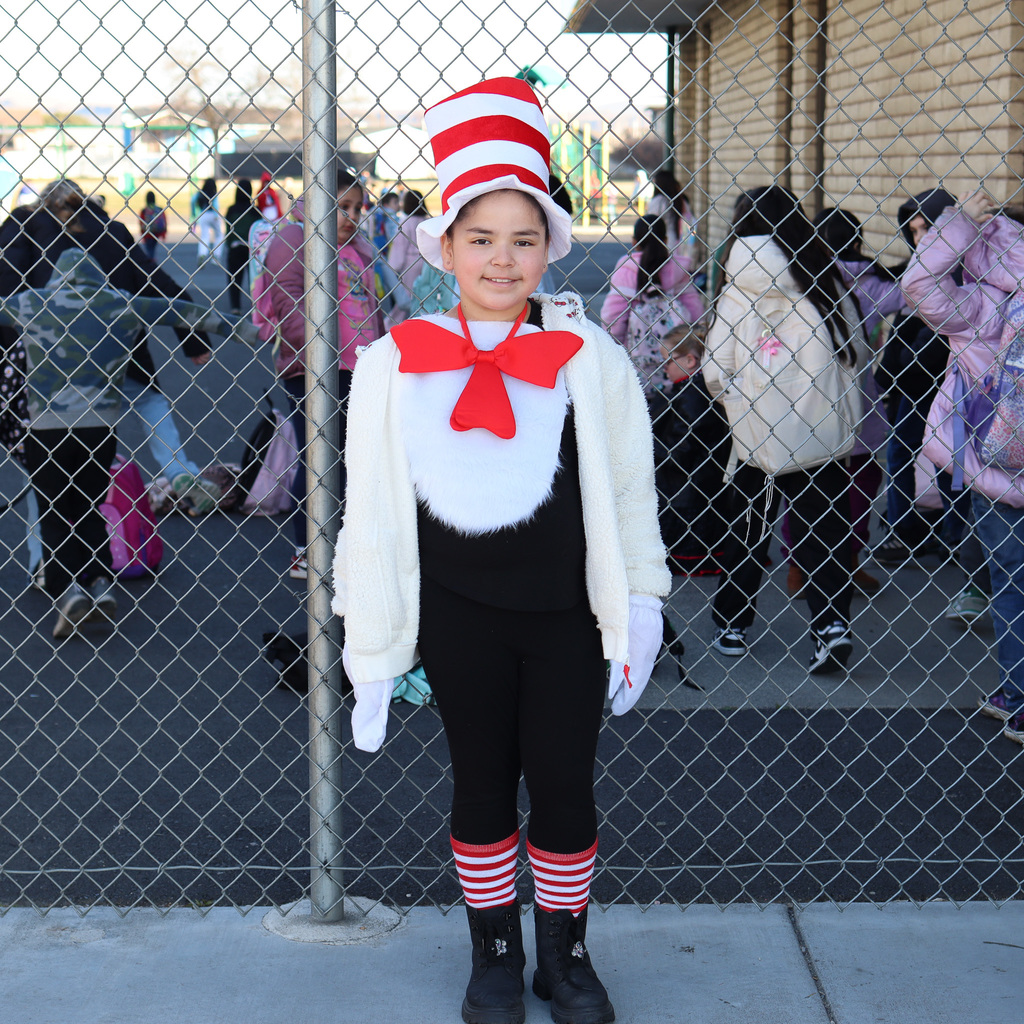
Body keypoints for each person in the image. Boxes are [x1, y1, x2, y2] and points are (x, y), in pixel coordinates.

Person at [332, 77, 668, 1024]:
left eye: (525, 239)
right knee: (480, 781)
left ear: (550, 248)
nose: (503, 258)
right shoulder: (397, 362)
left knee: (563, 783)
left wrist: (639, 601)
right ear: (445, 248)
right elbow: (371, 507)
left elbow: (630, 489)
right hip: (457, 616)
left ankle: (566, 957)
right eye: (481, 239)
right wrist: (367, 628)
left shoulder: (585, 355)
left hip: (564, 616)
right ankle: (492, 954)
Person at [0, 247, 248, 639]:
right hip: (99, 428)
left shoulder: (31, 303)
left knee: (54, 509)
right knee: (90, 506)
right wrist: (247, 329)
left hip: (45, 429)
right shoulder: (121, 304)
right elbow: (180, 310)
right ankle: (99, 581)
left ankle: (68, 590)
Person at [0, 179, 222, 544]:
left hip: (50, 358)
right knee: (149, 399)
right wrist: (192, 337)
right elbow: (157, 283)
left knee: (43, 463)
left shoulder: (23, 229)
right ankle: (178, 467)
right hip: (114, 349)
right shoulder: (111, 231)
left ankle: (44, 562)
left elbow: (7, 282)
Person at [702, 186, 863, 673]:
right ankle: (830, 624)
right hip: (820, 430)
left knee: (748, 529)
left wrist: (738, 398)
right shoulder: (823, 276)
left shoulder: (735, 287)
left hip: (758, 434)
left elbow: (716, 367)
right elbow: (854, 348)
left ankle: (732, 624)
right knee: (825, 530)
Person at [906, 189, 1024, 744]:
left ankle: (1018, 696)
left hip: (998, 463)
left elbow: (918, 285)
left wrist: (958, 225)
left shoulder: (980, 307)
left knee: (1010, 581)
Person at [263, 169, 383, 580]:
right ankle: (305, 547)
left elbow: (371, 308)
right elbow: (289, 301)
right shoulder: (293, 241)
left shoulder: (357, 250)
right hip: (313, 371)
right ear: (314, 207)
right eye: (340, 208)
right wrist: (318, 355)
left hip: (359, 368)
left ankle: (343, 544)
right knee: (317, 458)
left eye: (356, 208)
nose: (351, 217)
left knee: (353, 459)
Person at [873, 189, 957, 564]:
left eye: (926, 228)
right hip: (914, 379)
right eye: (914, 229)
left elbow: (938, 330)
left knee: (946, 460)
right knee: (901, 451)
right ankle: (904, 529)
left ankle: (954, 536)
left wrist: (905, 363)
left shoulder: (959, 266)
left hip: (945, 378)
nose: (918, 236)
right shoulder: (918, 263)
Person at [648, 322, 730, 576]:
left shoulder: (693, 397)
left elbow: (681, 451)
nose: (664, 368)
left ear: (691, 360)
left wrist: (647, 445)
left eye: (668, 361)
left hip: (688, 491)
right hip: (697, 485)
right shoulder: (694, 389)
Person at [600, 214, 703, 393]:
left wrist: (621, 350)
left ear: (634, 242)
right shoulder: (677, 270)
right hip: (676, 361)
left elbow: (612, 319)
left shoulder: (627, 269)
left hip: (638, 365)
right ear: (665, 240)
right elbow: (696, 312)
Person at [387, 188, 429, 324]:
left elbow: (400, 247)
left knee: (405, 297)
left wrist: (393, 267)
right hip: (426, 263)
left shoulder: (406, 223)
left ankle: (392, 324)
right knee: (423, 296)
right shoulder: (426, 222)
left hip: (410, 264)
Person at [645, 169, 697, 273]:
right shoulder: (682, 200)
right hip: (680, 241)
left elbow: (650, 221)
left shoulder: (658, 201)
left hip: (662, 242)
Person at [225, 178, 260, 315]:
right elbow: (258, 230)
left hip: (235, 247)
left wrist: (230, 243)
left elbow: (228, 229)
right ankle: (256, 306)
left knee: (234, 279)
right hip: (250, 248)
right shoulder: (254, 210)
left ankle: (235, 307)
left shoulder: (231, 209)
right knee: (254, 279)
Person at [191, 178, 223, 263]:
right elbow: (216, 204)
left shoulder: (199, 193)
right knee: (219, 235)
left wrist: (193, 213)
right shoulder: (214, 194)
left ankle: (202, 253)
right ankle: (216, 255)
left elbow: (192, 201)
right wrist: (216, 215)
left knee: (205, 236)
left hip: (203, 214)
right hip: (213, 214)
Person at [137, 191, 167, 263]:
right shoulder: (159, 209)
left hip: (147, 234)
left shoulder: (144, 211)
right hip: (156, 233)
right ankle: (152, 262)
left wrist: (142, 234)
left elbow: (141, 223)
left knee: (149, 250)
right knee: (152, 250)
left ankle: (151, 263)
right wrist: (163, 234)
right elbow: (163, 221)